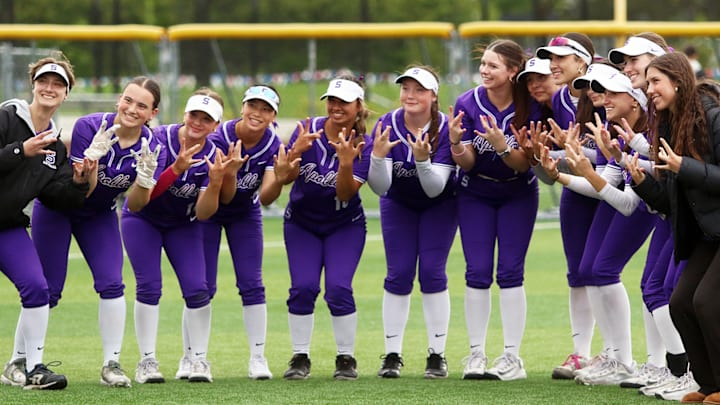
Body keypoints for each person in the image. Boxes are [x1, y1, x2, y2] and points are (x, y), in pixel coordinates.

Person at [29, 76, 165, 388]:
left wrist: (145, 180)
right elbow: (82, 192)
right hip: (59, 206)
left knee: (112, 283)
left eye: (141, 105)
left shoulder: (152, 145)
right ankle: (22, 360)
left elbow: (136, 204)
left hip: (99, 214)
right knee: (47, 290)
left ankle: (111, 364)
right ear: (120, 99)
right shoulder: (91, 126)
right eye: (128, 100)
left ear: (152, 113)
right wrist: (92, 161)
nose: (131, 109)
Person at [541, 68, 655, 385]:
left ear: (635, 99)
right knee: (592, 269)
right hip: (641, 201)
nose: (601, 99)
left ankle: (631, 361)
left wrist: (589, 166)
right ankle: (614, 355)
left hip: (658, 206)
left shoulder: (647, 128)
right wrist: (561, 175)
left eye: (609, 92)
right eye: (598, 92)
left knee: (645, 282)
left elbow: (630, 204)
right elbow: (605, 184)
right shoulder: (610, 126)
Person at [120, 87, 232, 384]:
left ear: (215, 126)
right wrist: (174, 168)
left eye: (206, 119)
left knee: (198, 289)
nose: (198, 122)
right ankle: (147, 361)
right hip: (143, 219)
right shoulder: (156, 139)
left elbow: (205, 213)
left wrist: (217, 182)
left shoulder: (214, 154)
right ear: (185, 114)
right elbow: (136, 201)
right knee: (149, 287)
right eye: (194, 114)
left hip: (184, 223)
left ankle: (197, 359)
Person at [629, 52, 720, 404]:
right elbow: (672, 202)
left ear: (678, 82)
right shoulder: (669, 125)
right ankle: (709, 386)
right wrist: (641, 182)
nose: (649, 89)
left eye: (655, 82)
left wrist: (685, 167)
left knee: (707, 302)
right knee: (680, 302)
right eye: (648, 82)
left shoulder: (713, 115)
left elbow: (695, 174)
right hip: (708, 233)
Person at [0, 55, 95, 390]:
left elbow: (58, 197)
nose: (50, 88)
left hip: (7, 227)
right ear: (33, 85)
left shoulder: (56, 146)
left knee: (38, 289)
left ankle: (30, 366)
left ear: (66, 93)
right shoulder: (5, 118)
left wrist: (81, 182)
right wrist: (18, 151)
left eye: (59, 84)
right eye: (44, 81)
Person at [451, 39, 540, 381]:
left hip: (517, 193)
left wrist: (503, 145)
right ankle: (476, 354)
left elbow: (523, 165)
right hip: (476, 192)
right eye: (483, 64)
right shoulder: (467, 102)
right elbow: (470, 164)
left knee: (510, 273)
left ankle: (512, 358)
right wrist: (457, 143)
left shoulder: (529, 105)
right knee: (477, 271)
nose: (484, 71)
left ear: (512, 71)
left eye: (493, 66)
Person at [278, 74, 371, 381]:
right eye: (332, 100)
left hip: (344, 224)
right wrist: (294, 154)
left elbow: (345, 193)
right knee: (303, 288)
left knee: (339, 289)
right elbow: (285, 178)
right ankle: (300, 356)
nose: (336, 107)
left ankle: (346, 358)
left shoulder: (363, 143)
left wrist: (346, 163)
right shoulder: (308, 130)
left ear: (358, 106)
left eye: (343, 102)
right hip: (302, 222)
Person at [368, 66, 457, 379]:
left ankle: (437, 355)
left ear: (433, 96)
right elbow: (380, 187)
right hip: (399, 203)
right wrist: (377, 158)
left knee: (432, 272)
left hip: (440, 205)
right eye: (406, 88)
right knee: (399, 274)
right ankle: (392, 354)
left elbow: (436, 188)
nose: (411, 95)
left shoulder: (445, 127)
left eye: (419, 90)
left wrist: (422, 160)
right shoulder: (387, 123)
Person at [198, 85, 284, 380]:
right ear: (243, 107)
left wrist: (281, 178)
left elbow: (267, 195)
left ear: (273, 115)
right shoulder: (218, 137)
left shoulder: (272, 142)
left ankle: (258, 358)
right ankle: (192, 357)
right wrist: (231, 173)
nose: (257, 113)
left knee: (252, 284)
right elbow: (221, 196)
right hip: (208, 212)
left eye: (265, 109)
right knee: (201, 287)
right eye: (252, 106)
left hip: (245, 213)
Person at [535, 33, 603, 377]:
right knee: (577, 272)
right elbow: (560, 167)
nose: (553, 65)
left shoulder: (605, 88)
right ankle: (581, 353)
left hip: (609, 189)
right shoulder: (560, 98)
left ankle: (613, 353)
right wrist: (545, 156)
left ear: (582, 61)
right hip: (577, 192)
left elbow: (610, 155)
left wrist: (569, 151)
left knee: (604, 271)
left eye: (561, 58)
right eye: (551, 58)